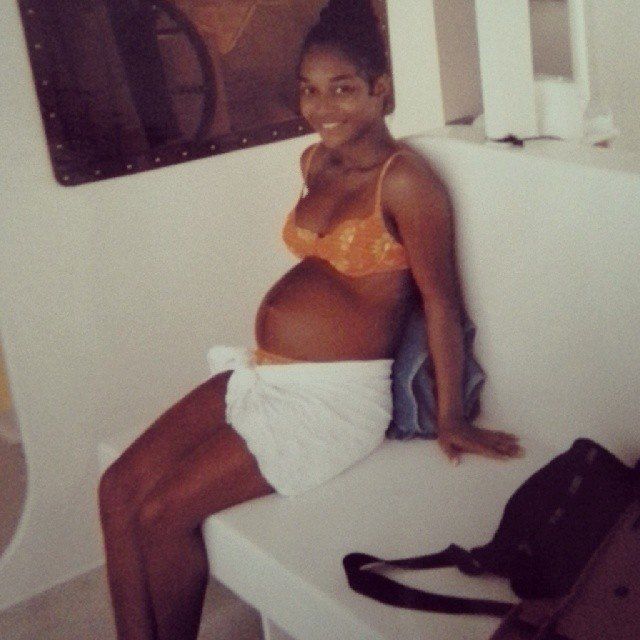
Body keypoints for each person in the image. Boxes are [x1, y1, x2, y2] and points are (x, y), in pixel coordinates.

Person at [98, 1, 522, 638]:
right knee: (116, 487)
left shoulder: (406, 182)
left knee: (161, 514)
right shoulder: (315, 163)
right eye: (309, 91)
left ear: (382, 90)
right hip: (266, 375)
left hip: (330, 402)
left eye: (344, 89)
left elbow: (440, 302)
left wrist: (451, 416)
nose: (322, 108)